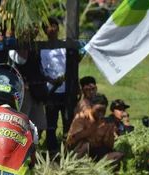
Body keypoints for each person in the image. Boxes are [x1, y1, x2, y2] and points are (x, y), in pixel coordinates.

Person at [9, 24, 48, 137]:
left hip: (37, 90)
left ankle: (32, 146)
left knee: (40, 125)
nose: (34, 29)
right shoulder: (14, 45)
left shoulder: (36, 46)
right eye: (32, 25)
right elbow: (21, 60)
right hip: (23, 91)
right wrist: (23, 40)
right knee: (21, 123)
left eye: (36, 26)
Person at [66, 93, 123, 162]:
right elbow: (74, 139)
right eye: (98, 110)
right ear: (91, 107)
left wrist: (110, 133)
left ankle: (100, 169)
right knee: (85, 145)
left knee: (118, 155)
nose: (101, 113)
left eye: (103, 111)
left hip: (96, 155)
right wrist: (94, 127)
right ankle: (77, 167)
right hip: (78, 152)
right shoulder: (81, 118)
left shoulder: (105, 123)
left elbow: (109, 146)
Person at [41, 17, 70, 155]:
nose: (51, 29)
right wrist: (51, 81)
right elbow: (41, 71)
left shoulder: (65, 45)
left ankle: (67, 148)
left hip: (67, 90)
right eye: (47, 27)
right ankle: (51, 150)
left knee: (67, 121)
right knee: (51, 124)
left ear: (57, 27)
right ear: (45, 31)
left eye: (53, 26)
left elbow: (72, 65)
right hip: (51, 91)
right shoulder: (42, 48)